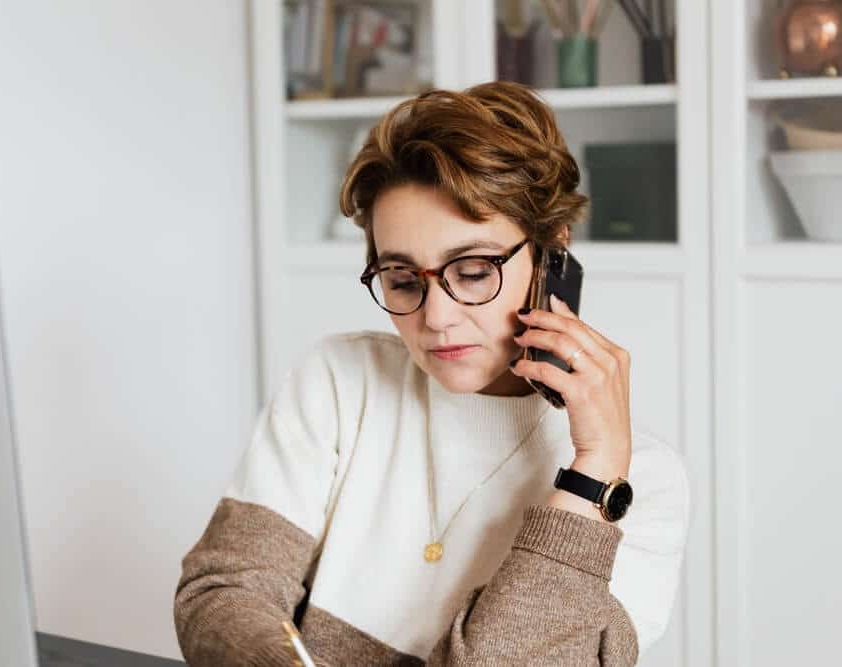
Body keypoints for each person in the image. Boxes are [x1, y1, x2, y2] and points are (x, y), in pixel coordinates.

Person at [174, 81, 690, 666]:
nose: (436, 318)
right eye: (402, 279)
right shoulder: (341, 380)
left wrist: (592, 476)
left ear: (553, 252)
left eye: (472, 272)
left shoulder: (637, 484)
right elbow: (221, 596)